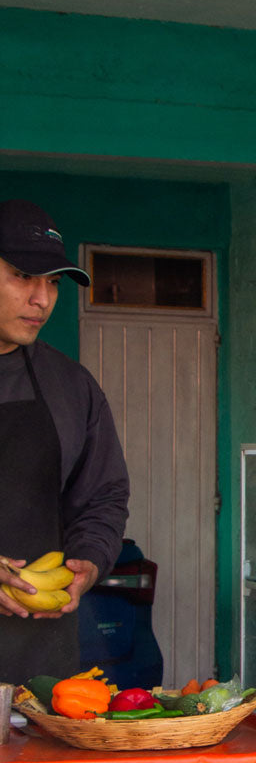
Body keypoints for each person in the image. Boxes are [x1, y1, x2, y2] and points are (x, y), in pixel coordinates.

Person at [0, 200, 130, 685]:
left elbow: (103, 495)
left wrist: (89, 562)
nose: (43, 299)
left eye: (53, 281)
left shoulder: (71, 386)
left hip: (40, 660)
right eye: (23, 276)